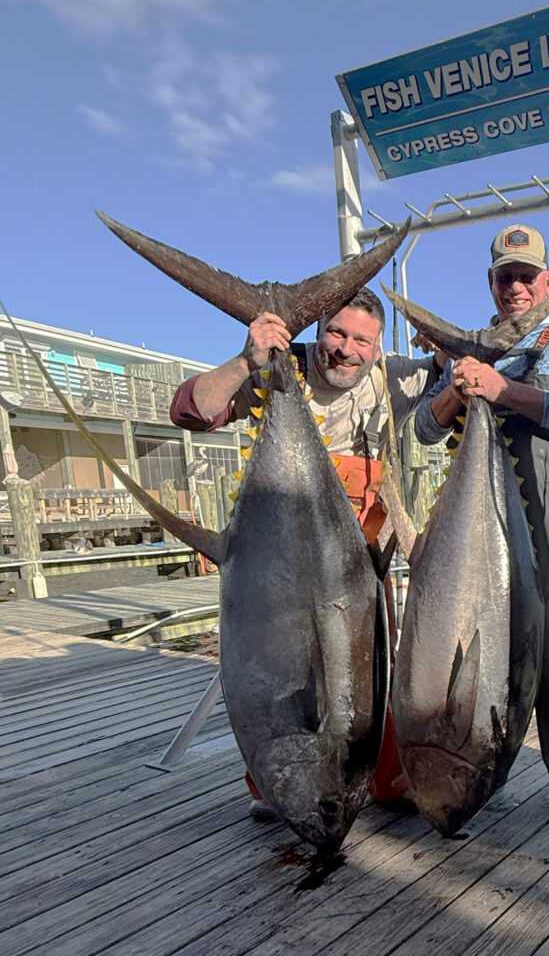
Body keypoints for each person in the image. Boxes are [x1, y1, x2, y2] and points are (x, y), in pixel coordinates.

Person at [171, 285, 444, 814]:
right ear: (318, 332)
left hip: (360, 554)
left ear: (379, 346)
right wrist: (246, 360)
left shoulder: (396, 378)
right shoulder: (279, 367)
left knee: (370, 671)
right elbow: (188, 411)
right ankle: (280, 785)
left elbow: (449, 381)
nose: (347, 349)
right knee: (281, 667)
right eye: (336, 333)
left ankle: (383, 780)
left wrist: (445, 349)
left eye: (362, 340)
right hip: (285, 554)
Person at [414, 223, 549, 821]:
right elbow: (426, 429)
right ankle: (470, 767)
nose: (517, 286)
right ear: (493, 284)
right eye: (507, 276)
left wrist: (502, 389)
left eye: (528, 276)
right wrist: (457, 387)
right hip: (475, 528)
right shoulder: (462, 354)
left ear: (547, 282)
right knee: (468, 645)